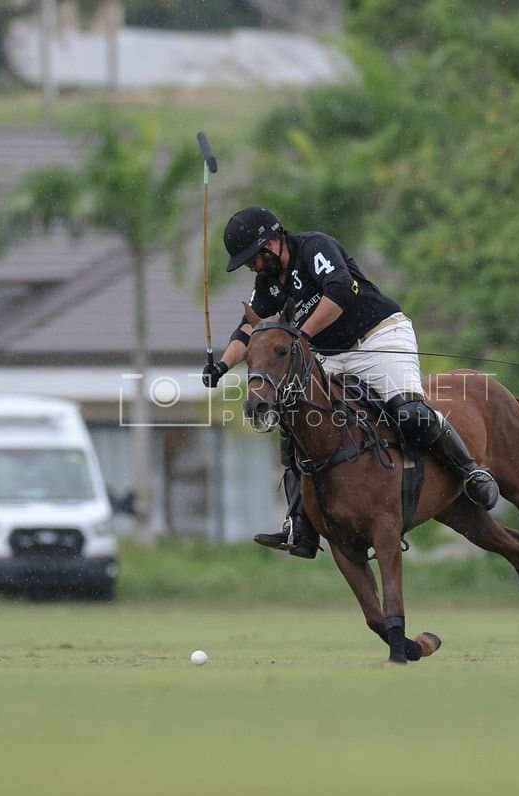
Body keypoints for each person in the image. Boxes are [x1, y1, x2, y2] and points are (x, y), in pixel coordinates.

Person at [201, 206, 499, 558]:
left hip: (378, 335)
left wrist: (299, 336)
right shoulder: (267, 283)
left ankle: (471, 472)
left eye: (253, 258)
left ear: (271, 243)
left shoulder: (314, 248)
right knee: (295, 421)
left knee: (410, 413)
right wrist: (221, 366)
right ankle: (300, 525)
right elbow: (248, 328)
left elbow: (340, 292)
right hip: (331, 353)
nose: (252, 266)